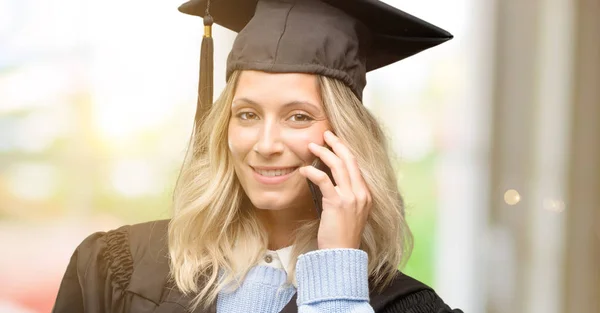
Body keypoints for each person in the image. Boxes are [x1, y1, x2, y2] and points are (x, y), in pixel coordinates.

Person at [52, 0, 462, 312]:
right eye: (246, 114)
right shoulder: (118, 266)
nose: (265, 144)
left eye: (298, 117)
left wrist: (338, 279)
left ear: (346, 138)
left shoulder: (402, 304)